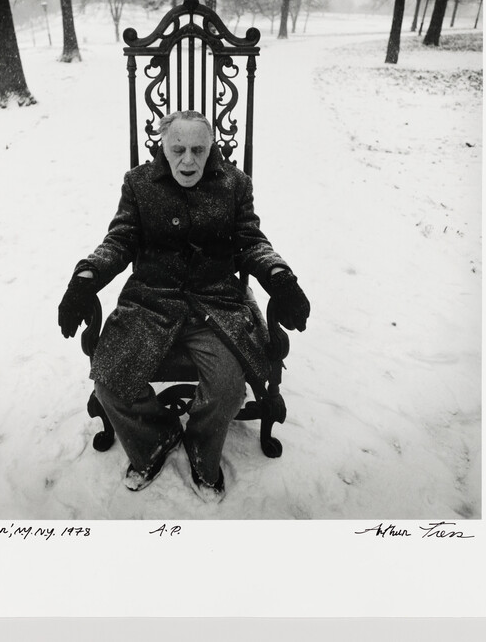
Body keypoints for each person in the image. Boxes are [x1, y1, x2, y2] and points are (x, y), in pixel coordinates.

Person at [58, 110, 309, 502]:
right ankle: (157, 438)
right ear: (164, 146)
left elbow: (251, 241)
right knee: (109, 382)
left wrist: (279, 276)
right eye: (178, 150)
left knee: (228, 389)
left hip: (214, 303)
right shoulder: (139, 183)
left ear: (212, 149)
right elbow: (120, 240)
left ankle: (200, 446)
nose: (188, 160)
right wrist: (86, 278)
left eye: (198, 150)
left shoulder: (234, 184)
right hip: (151, 302)